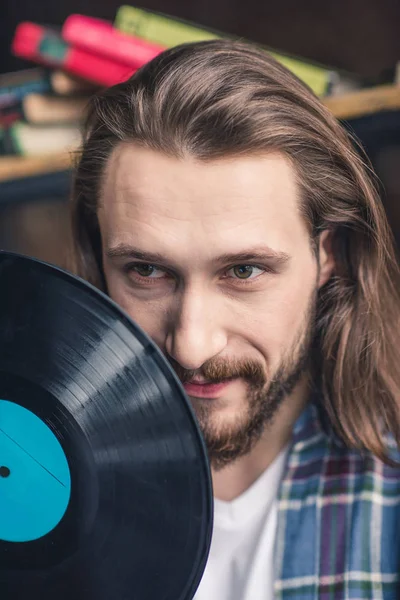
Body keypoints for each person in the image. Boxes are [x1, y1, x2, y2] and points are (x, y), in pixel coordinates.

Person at [68, 40, 400, 599]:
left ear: (330, 255)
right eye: (147, 270)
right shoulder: (36, 491)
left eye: (244, 270)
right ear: (98, 260)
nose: (192, 345)